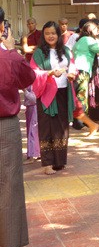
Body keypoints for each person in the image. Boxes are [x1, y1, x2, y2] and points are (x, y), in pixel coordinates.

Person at [0, 13, 36, 247]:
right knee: (8, 186)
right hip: (4, 127)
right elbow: (28, 79)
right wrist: (12, 51)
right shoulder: (7, 58)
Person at [30, 22, 77, 175]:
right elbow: (33, 72)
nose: (51, 36)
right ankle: (48, 163)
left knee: (61, 127)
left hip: (63, 92)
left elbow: (72, 66)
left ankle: (59, 161)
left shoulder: (66, 51)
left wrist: (72, 74)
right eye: (47, 33)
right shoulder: (38, 53)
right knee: (47, 127)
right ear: (43, 36)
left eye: (53, 33)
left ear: (58, 35)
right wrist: (49, 73)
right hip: (46, 93)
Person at [21, 17, 42, 162]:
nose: (30, 25)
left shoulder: (40, 35)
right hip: (30, 72)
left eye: (32, 23)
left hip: (39, 74)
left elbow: (36, 48)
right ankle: (33, 150)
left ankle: (38, 150)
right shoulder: (26, 37)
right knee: (32, 114)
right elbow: (26, 49)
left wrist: (33, 48)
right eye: (28, 23)